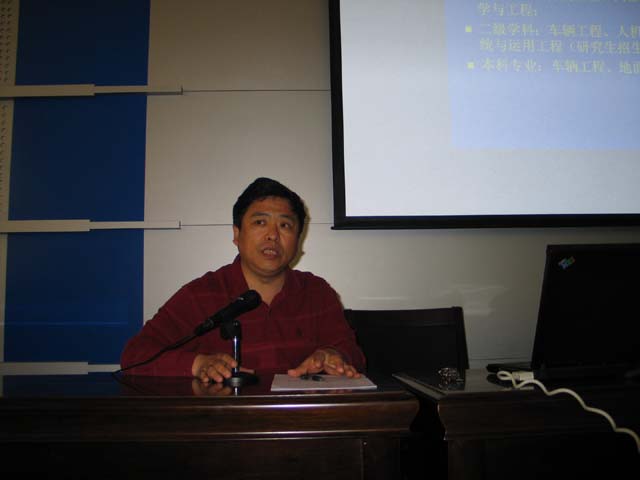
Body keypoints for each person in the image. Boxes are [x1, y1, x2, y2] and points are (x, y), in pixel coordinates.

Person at [120, 177, 365, 384]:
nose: (273, 235)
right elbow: (134, 356)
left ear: (298, 241)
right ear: (237, 234)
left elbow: (354, 354)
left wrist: (333, 356)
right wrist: (198, 364)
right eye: (260, 222)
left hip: (300, 421)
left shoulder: (316, 292)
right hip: (226, 422)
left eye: (285, 225)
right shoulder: (200, 295)